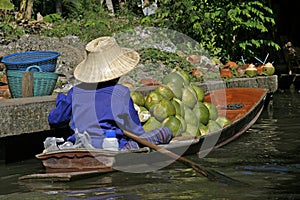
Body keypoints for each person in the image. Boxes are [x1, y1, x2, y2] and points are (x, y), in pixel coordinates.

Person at [48, 36, 172, 150]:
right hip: (112, 147)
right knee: (165, 132)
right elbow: (135, 130)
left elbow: (55, 120)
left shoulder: (75, 92)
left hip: (80, 146)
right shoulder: (120, 93)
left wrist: (63, 101)